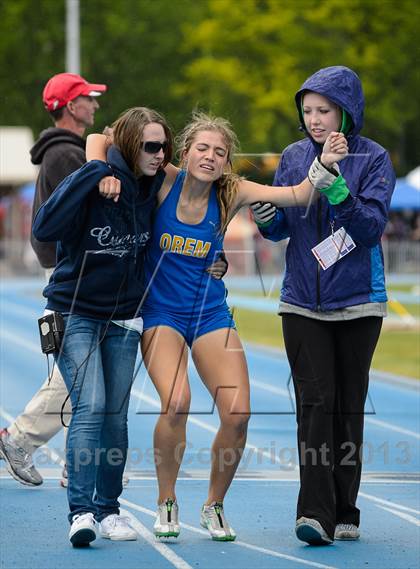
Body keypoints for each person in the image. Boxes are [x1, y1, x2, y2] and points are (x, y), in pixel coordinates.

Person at [88, 111, 348, 541]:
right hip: (161, 314)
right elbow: (103, 136)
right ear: (186, 151)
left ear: (227, 161)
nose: (210, 157)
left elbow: (300, 194)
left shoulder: (232, 192)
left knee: (238, 412)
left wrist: (327, 161)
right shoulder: (165, 180)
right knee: (176, 402)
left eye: (220, 152)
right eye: (202, 149)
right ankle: (166, 499)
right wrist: (100, 171)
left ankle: (213, 505)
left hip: (209, 312)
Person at [251, 66, 396, 545]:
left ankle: (345, 507)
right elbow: (287, 226)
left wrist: (336, 187)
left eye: (324, 111)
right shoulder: (293, 157)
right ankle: (314, 513)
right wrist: (269, 220)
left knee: (347, 408)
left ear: (346, 112)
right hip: (301, 303)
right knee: (315, 405)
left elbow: (369, 229)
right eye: (308, 111)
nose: (314, 120)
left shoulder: (373, 158)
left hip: (358, 303)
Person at [32, 106, 176, 546]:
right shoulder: (95, 176)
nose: (160, 154)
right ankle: (81, 513)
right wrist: (93, 172)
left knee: (115, 416)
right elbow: (44, 226)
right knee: (90, 407)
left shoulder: (154, 186)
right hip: (75, 313)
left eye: (164, 146)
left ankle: (109, 509)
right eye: (151, 146)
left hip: (125, 317)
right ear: (130, 147)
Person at [0, 73, 106, 487]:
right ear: (69, 106)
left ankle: (73, 457)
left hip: (72, 273)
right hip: (72, 276)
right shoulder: (65, 156)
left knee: (80, 369)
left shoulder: (66, 152)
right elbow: (73, 216)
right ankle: (24, 440)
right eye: (88, 99)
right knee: (79, 371)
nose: (94, 106)